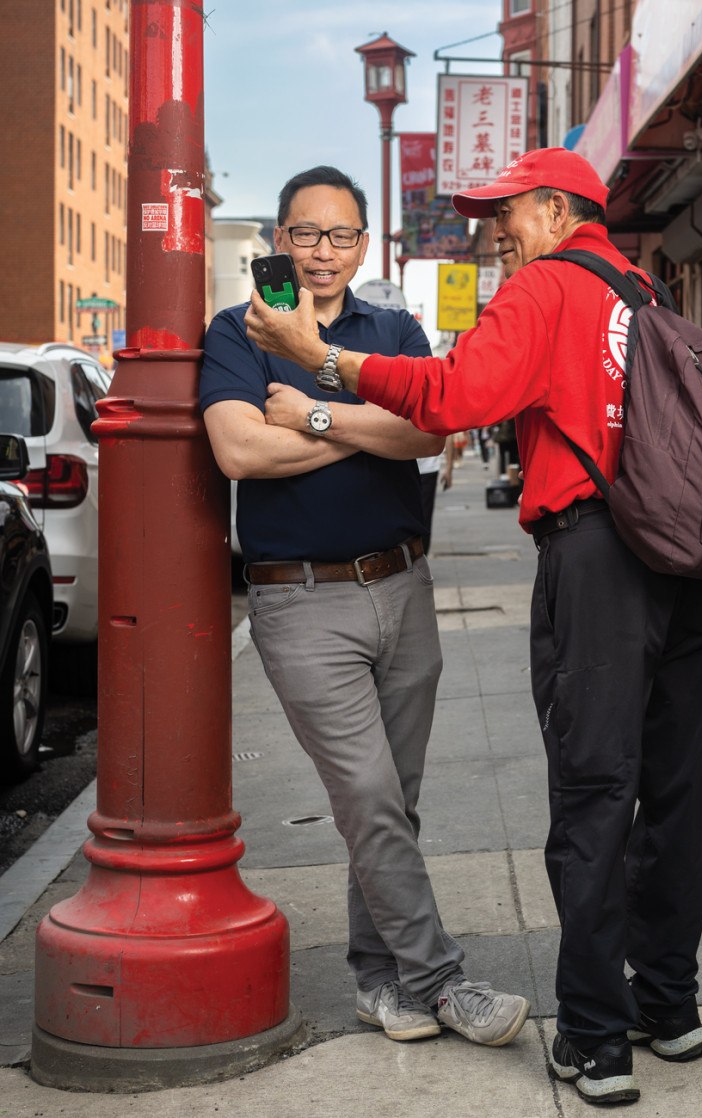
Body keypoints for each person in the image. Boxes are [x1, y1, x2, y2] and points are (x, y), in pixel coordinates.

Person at [247, 148, 702, 1105]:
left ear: (554, 209)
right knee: (678, 789)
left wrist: (325, 364)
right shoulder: (647, 289)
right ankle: (667, 1006)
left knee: (595, 791)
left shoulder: (547, 287)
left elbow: (455, 398)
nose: (495, 232)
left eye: (505, 213)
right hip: (690, 558)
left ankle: (593, 1039)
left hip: (600, 556)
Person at [199, 165, 530, 1050]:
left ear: (364, 244)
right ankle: (442, 980)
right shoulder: (236, 333)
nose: (323, 253)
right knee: (372, 793)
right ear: (278, 239)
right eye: (306, 234)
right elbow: (238, 451)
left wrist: (311, 419)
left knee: (392, 803)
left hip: (404, 587)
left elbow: (430, 431)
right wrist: (360, 428)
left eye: (341, 236)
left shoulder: (394, 328)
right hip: (301, 602)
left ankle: (378, 981)